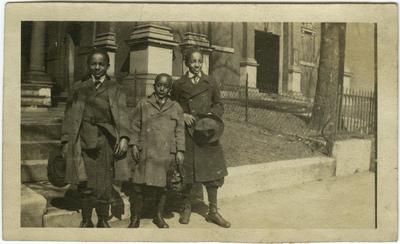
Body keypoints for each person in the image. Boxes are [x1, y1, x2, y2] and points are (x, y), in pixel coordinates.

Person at [60, 49, 132, 228]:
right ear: (88, 65)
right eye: (94, 64)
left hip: (106, 141)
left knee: (105, 183)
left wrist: (123, 137)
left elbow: (123, 115)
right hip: (82, 140)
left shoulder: (116, 88)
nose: (97, 67)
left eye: (101, 64)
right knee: (85, 182)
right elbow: (69, 116)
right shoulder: (78, 88)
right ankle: (86, 220)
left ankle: (102, 218)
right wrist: (66, 141)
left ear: (108, 66)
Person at [170, 48, 231, 228]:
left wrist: (211, 116)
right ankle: (186, 207)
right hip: (188, 133)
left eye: (199, 61)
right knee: (187, 172)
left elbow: (219, 104)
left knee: (212, 173)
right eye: (193, 61)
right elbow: (172, 105)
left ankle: (213, 211)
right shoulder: (179, 84)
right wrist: (183, 115)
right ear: (187, 63)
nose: (196, 65)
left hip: (207, 133)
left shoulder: (210, 81)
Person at [128, 73, 185, 228]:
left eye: (166, 86)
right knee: (139, 186)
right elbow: (134, 126)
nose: (162, 89)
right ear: (154, 86)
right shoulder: (143, 104)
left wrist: (180, 150)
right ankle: (135, 217)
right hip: (146, 152)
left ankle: (158, 216)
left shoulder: (175, 107)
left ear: (169, 89)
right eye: (159, 85)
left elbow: (180, 130)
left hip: (166, 154)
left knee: (163, 187)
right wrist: (133, 144)